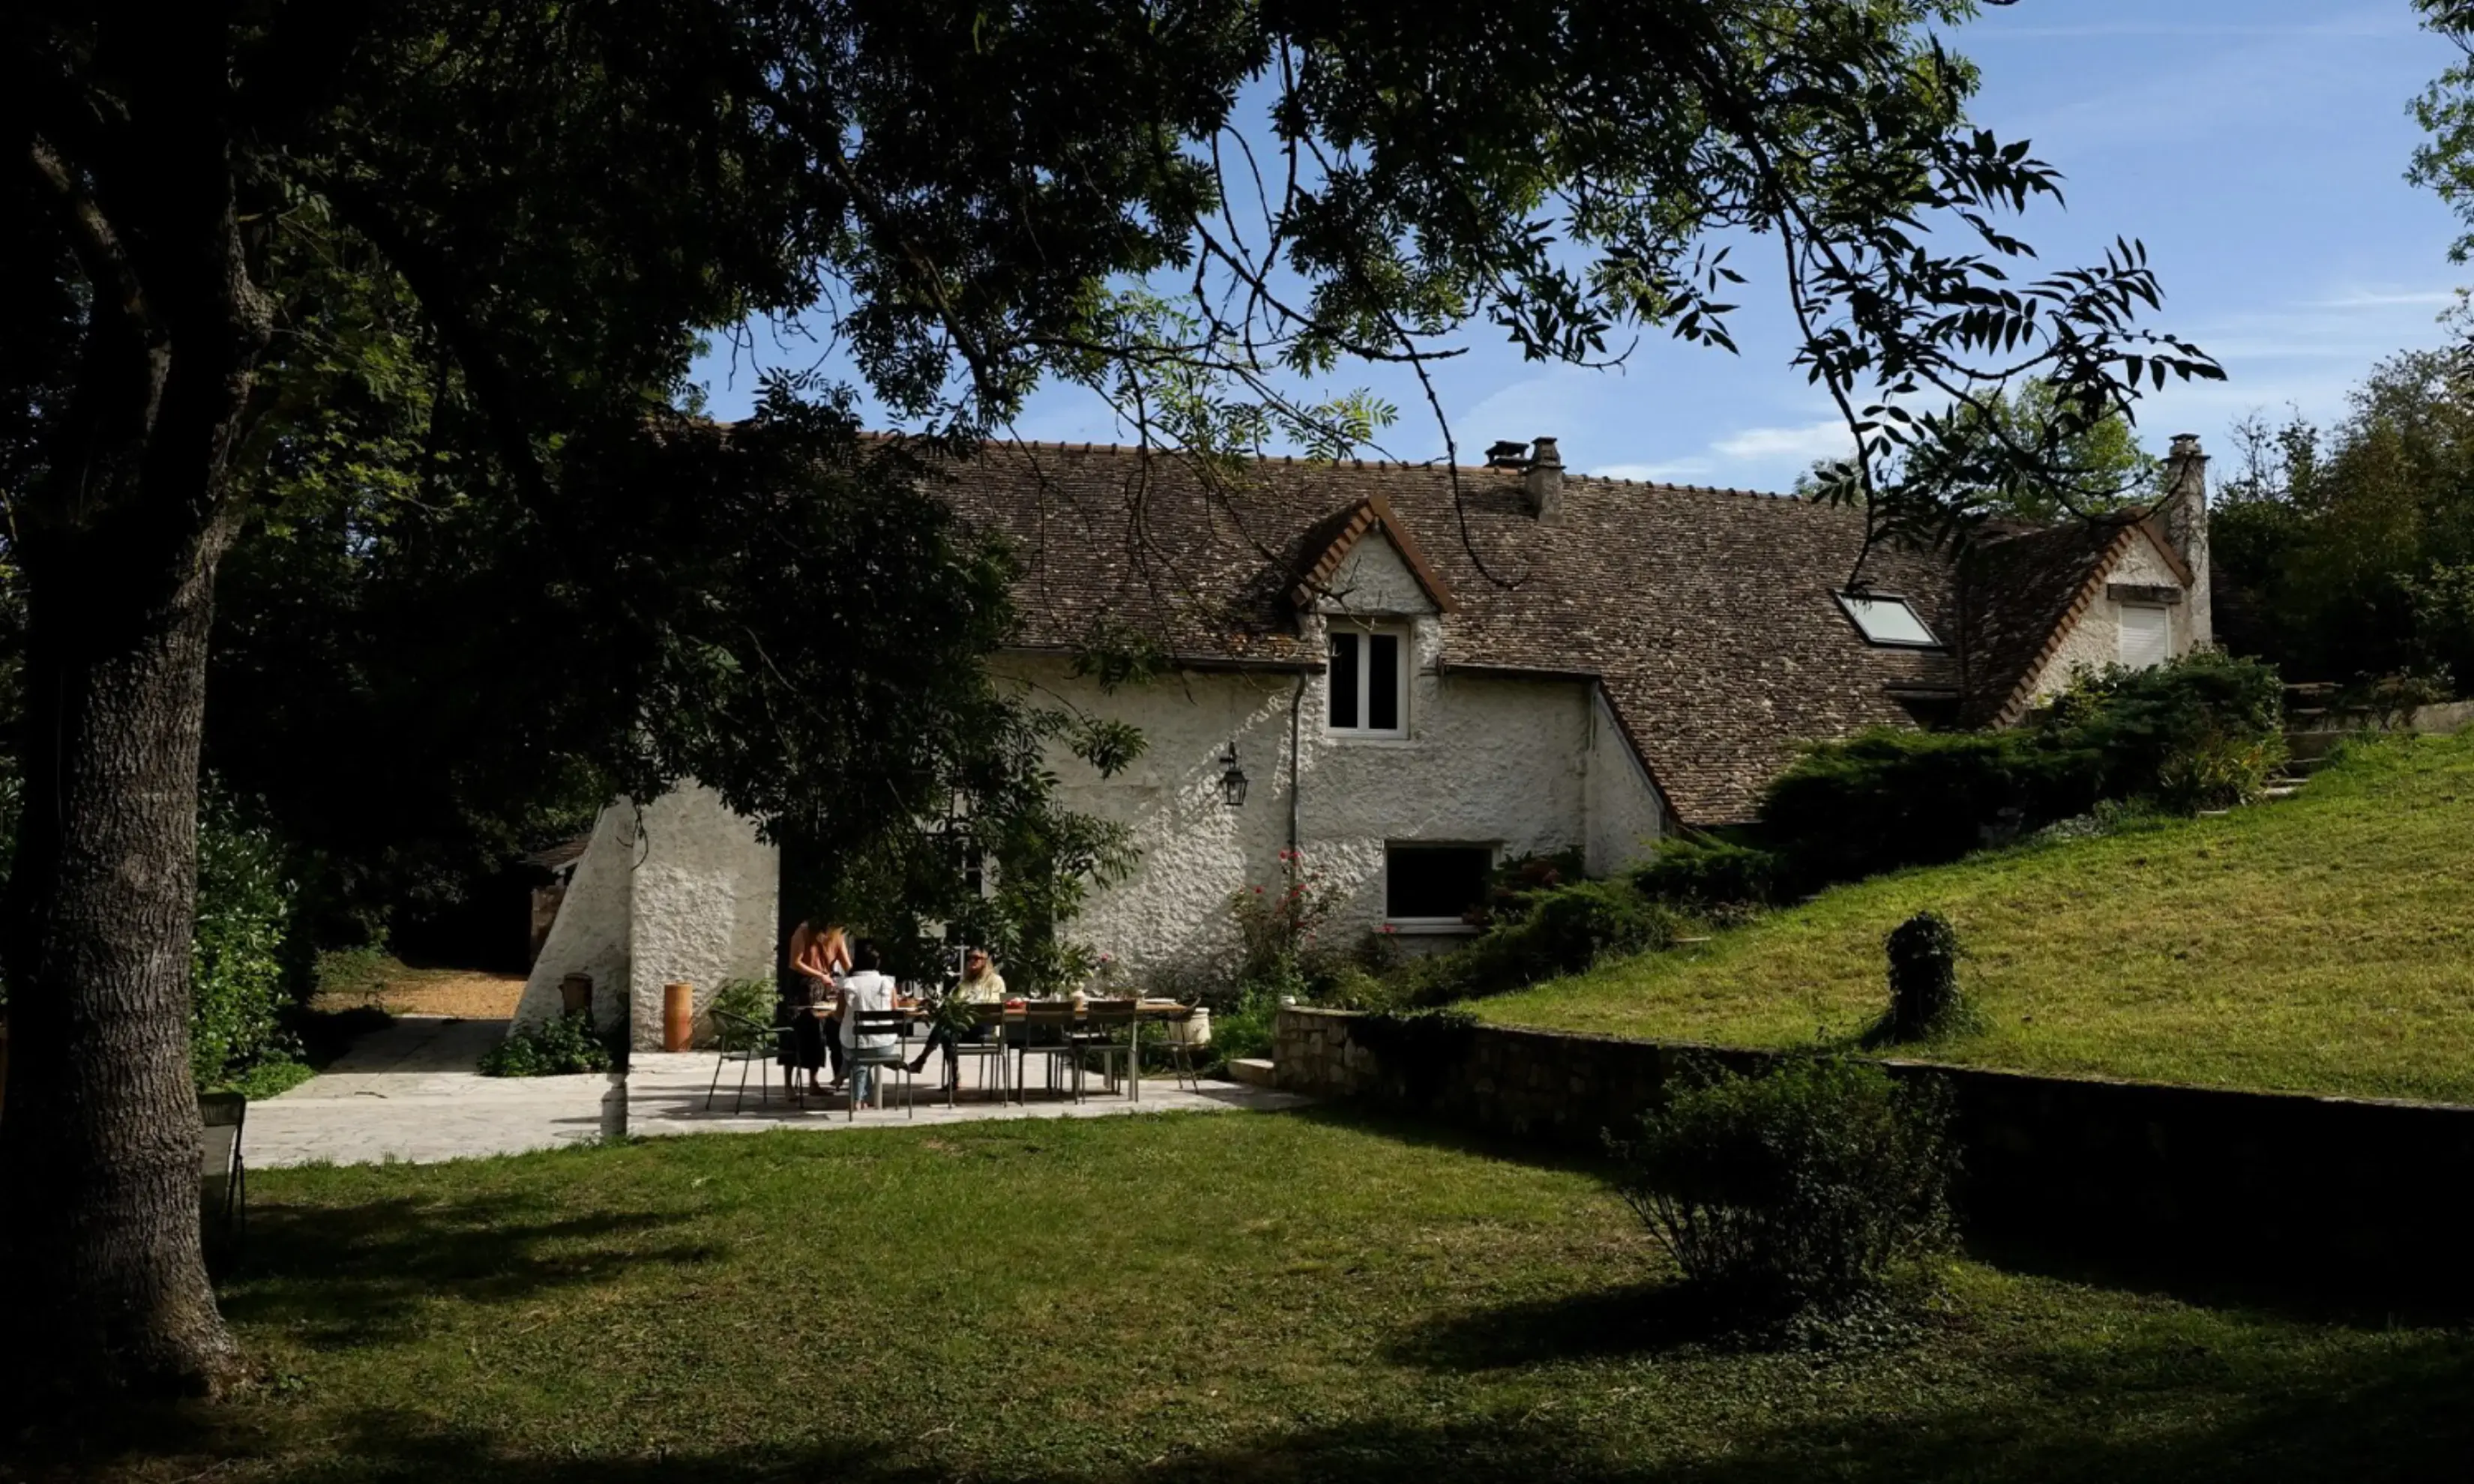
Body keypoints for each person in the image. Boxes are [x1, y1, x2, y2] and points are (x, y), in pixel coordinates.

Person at [909, 947, 1005, 1077]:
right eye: (970, 958)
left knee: (945, 1028)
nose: (972, 961)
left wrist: (968, 1005)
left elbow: (995, 1003)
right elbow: (951, 1001)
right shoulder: (964, 982)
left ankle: (922, 1060)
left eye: (976, 958)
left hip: (985, 1027)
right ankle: (954, 1077)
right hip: (965, 1026)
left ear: (985, 961)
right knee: (946, 1032)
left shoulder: (995, 981)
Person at [782, 922, 849, 1096]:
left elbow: (848, 965)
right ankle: (788, 1086)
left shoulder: (838, 934)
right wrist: (820, 975)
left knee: (818, 1034)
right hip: (800, 985)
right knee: (794, 1034)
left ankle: (813, 1082)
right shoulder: (803, 931)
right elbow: (795, 962)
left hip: (821, 986)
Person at [837, 938, 901, 1106]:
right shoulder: (887, 984)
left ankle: (857, 1097)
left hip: (856, 1046)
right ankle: (863, 1097)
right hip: (885, 1045)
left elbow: (839, 1015)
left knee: (855, 1049)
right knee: (863, 1051)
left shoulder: (848, 984)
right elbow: (894, 1011)